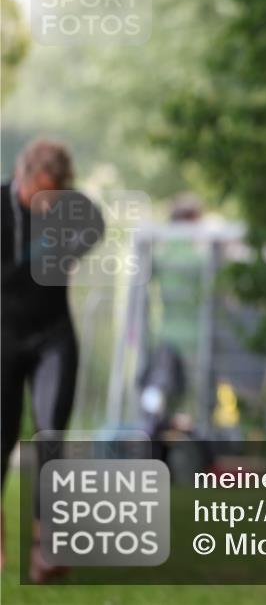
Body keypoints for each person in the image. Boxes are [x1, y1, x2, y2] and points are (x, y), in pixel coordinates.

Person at [1, 138, 105, 582]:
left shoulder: (73, 210)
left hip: (53, 337)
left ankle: (46, 544)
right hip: (3, 338)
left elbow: (93, 227)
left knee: (50, 435)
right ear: (22, 178)